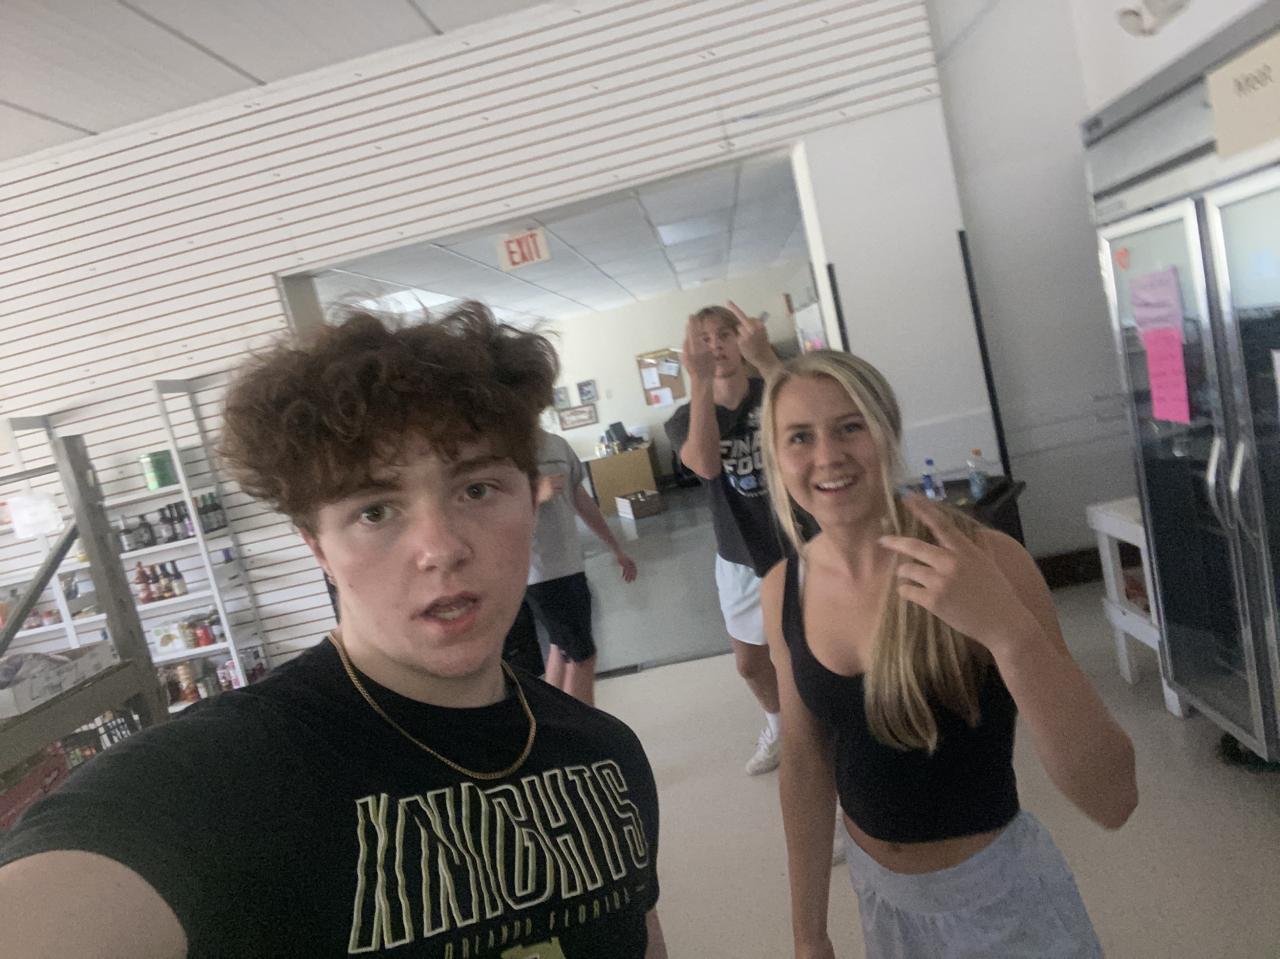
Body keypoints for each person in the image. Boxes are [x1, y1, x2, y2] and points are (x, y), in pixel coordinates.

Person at [0, 304, 666, 959]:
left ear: (531, 498)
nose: (441, 548)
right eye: (376, 510)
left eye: (477, 490)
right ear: (317, 546)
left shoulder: (604, 753)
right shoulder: (231, 779)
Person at [759, 350, 1137, 958]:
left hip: (1004, 905)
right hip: (881, 903)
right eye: (800, 436)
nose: (826, 456)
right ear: (776, 457)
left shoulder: (982, 561)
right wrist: (809, 933)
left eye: (850, 427)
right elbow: (804, 763)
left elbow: (1113, 798)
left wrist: (1008, 632)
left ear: (888, 433)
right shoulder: (784, 589)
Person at [664, 302, 786, 775]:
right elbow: (706, 464)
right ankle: (779, 727)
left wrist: (768, 359)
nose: (715, 346)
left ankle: (828, 745)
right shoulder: (684, 417)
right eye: (704, 339)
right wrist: (698, 383)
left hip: (797, 548)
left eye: (724, 335)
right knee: (750, 664)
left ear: (741, 339)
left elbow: (812, 410)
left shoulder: (772, 390)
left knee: (810, 657)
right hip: (739, 554)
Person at [503, 427, 638, 704]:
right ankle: (582, 727)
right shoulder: (503, 449)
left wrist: (615, 547)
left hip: (570, 566)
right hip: (540, 573)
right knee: (582, 656)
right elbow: (496, 511)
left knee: (561, 648)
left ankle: (550, 721)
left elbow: (580, 498)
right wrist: (535, 495)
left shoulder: (557, 445)